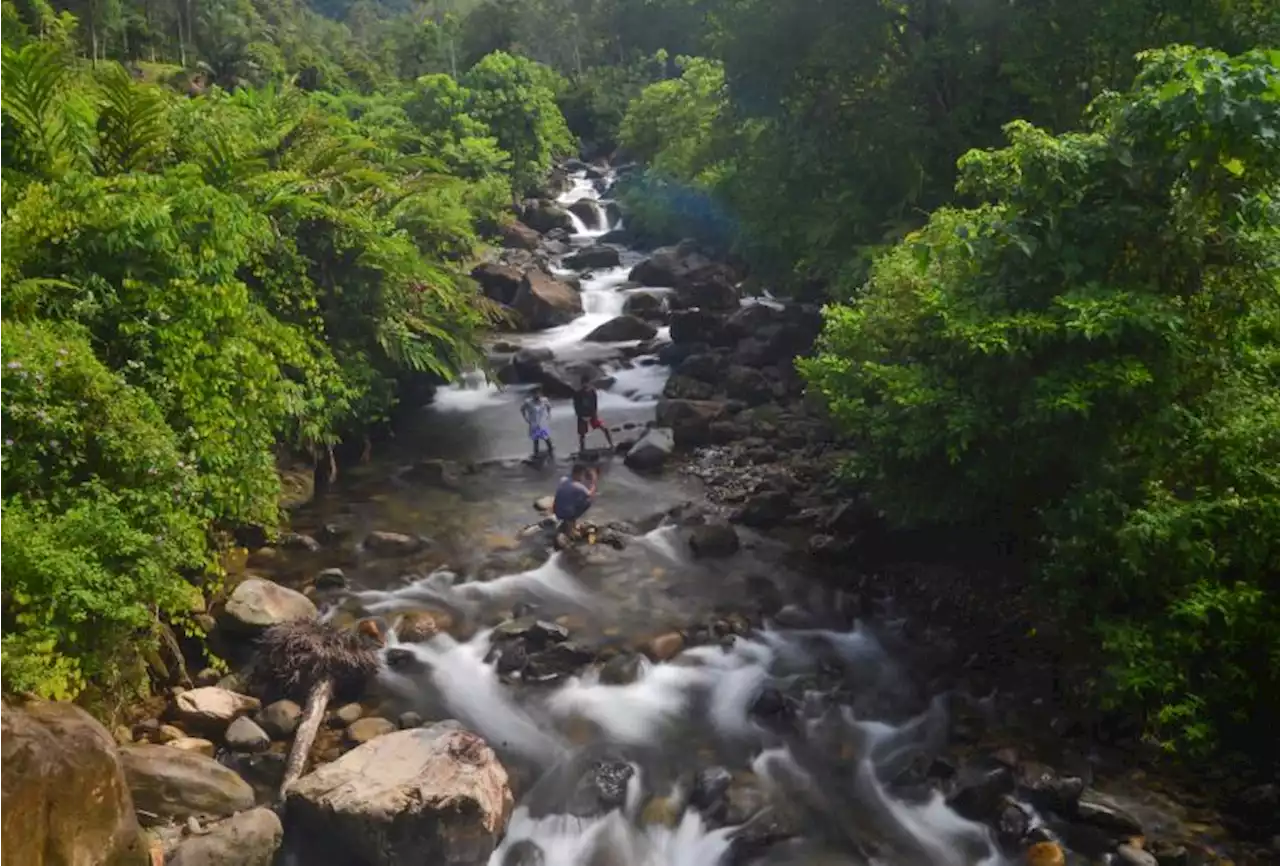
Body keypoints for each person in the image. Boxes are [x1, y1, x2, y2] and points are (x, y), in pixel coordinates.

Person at [553, 464, 597, 539]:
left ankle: (570, 524)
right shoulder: (577, 486)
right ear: (578, 474)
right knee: (588, 501)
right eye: (582, 475)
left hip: (556, 511)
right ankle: (570, 527)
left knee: (574, 498)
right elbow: (590, 494)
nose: (583, 478)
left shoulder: (563, 479)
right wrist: (593, 482)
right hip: (566, 514)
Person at [572, 376, 614, 454]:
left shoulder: (592, 392)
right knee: (582, 434)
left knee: (604, 428)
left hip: (592, 414)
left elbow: (595, 404)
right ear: (582, 384)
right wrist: (581, 415)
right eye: (584, 384)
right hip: (582, 416)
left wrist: (594, 414)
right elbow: (576, 406)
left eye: (587, 383)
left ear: (589, 383)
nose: (586, 385)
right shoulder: (578, 394)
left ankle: (611, 444)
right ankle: (582, 449)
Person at [520, 387, 554, 459]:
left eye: (538, 394)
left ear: (540, 394)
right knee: (535, 441)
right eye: (535, 394)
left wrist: (548, 415)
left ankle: (552, 453)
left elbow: (549, 407)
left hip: (543, 423)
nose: (537, 395)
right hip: (534, 424)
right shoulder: (528, 402)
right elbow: (522, 409)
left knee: (547, 439)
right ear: (532, 395)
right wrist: (526, 418)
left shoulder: (544, 400)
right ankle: (536, 455)